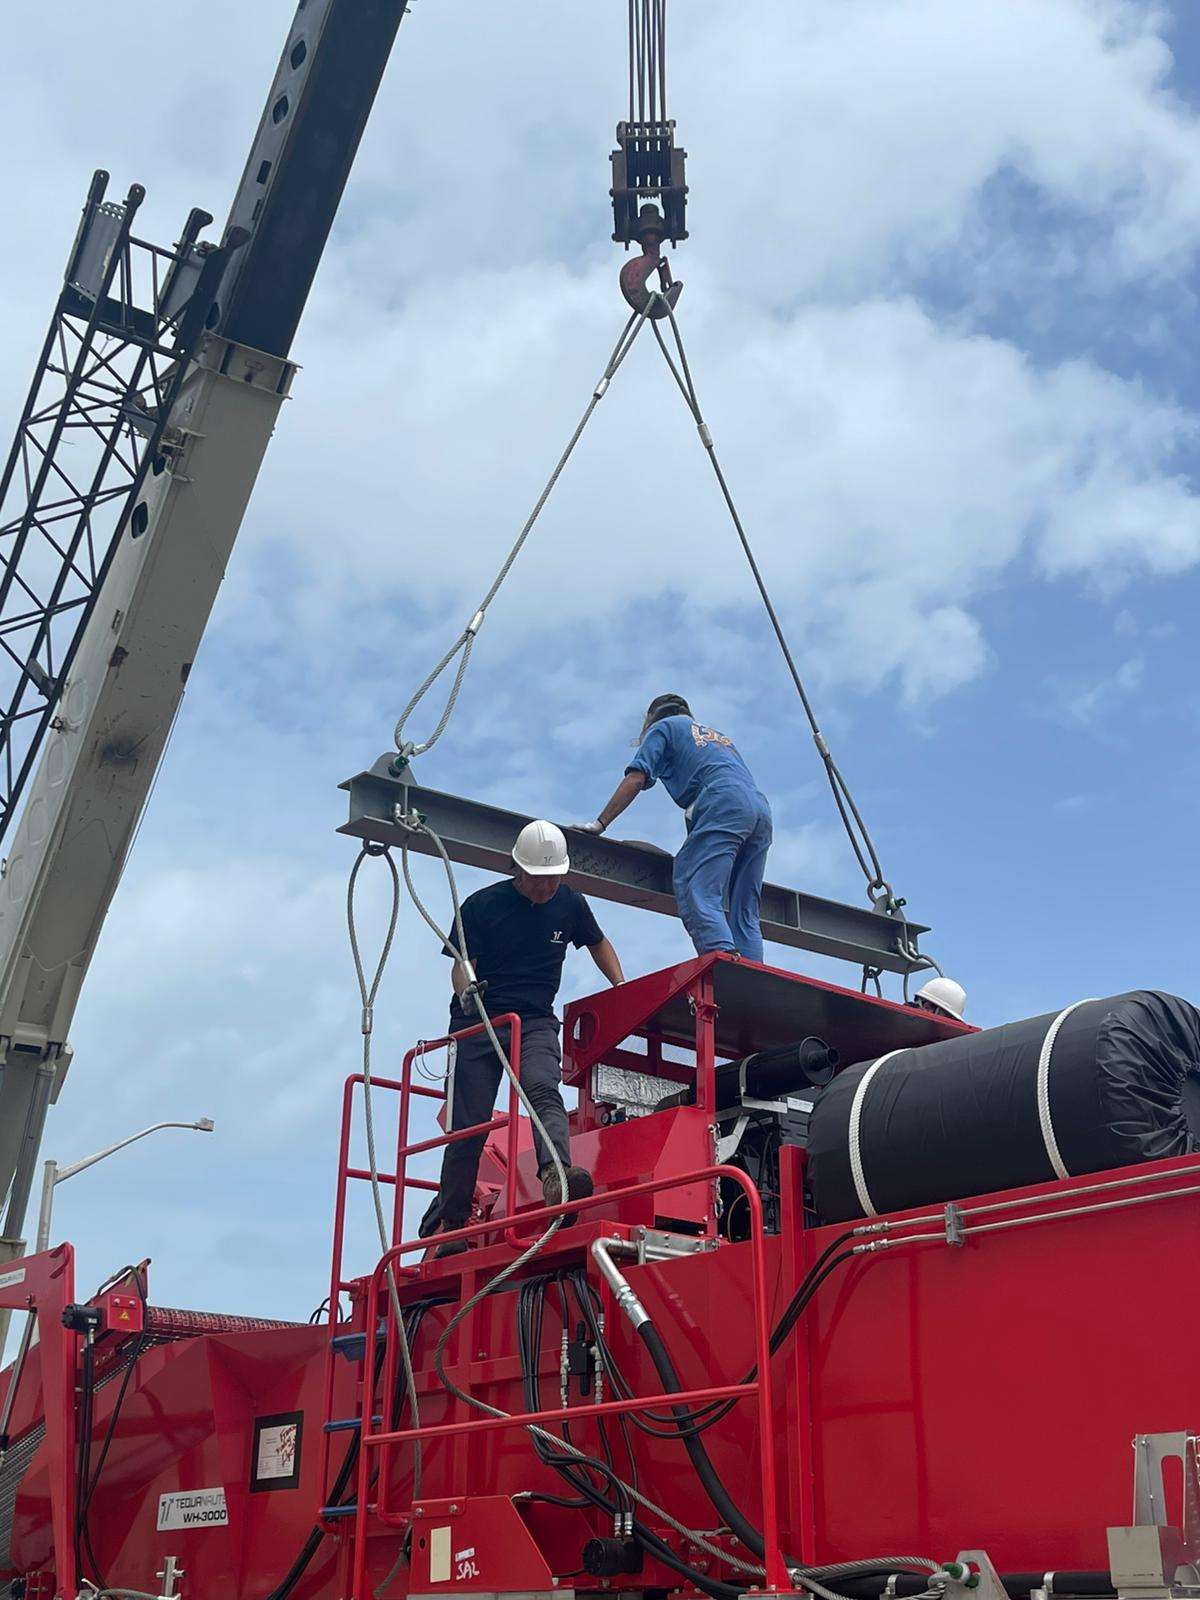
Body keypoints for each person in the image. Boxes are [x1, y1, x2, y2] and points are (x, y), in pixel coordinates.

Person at [420, 819, 625, 1256]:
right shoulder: (482, 907)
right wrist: (466, 992)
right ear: (518, 869)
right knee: (467, 1127)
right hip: (478, 1023)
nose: (546, 888)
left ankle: (557, 1180)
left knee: (542, 1088)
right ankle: (452, 1224)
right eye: (538, 879)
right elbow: (460, 964)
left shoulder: (569, 905)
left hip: (532, 1020)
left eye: (553, 879)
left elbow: (599, 944)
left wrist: (621, 989)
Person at [580, 694, 773, 964]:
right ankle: (754, 973)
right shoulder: (717, 737)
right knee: (744, 907)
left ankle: (724, 962)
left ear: (651, 720)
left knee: (694, 881)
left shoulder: (664, 728)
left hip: (723, 800)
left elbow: (637, 777)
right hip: (760, 810)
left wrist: (600, 822)